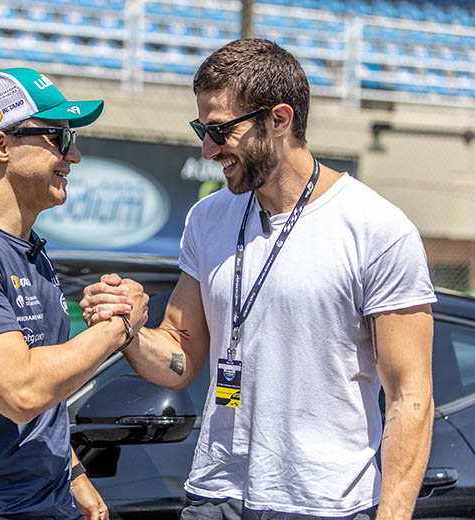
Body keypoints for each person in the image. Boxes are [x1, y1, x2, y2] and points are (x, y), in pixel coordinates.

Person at [80, 39, 436, 520]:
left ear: (280, 120)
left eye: (219, 130)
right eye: (200, 129)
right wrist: (126, 329)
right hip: (216, 494)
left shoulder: (377, 229)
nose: (207, 149)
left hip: (325, 505)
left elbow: (410, 396)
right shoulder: (208, 218)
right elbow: (181, 357)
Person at [0, 67, 148, 520]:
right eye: (57, 136)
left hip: (46, 502)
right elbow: (21, 391)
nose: (73, 155)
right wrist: (120, 326)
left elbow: (44, 389)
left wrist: (72, 472)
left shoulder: (27, 248)